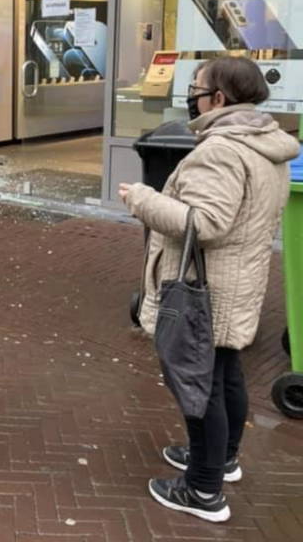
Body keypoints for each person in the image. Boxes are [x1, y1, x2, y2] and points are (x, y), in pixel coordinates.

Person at [119, 55, 299, 523]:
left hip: (207, 290)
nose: (191, 97)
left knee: (200, 388)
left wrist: (144, 200)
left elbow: (206, 223)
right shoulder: (264, 143)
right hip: (236, 284)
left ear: (219, 98)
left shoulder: (222, 149)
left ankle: (202, 490)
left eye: (196, 89)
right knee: (224, 374)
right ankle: (221, 461)